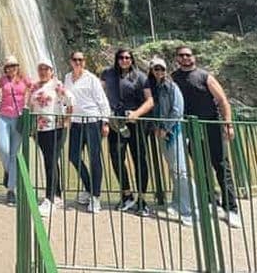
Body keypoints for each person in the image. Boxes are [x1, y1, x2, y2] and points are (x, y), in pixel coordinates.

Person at [172, 45, 241, 228]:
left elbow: (222, 100)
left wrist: (228, 124)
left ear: (193, 57)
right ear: (177, 58)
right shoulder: (174, 78)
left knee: (221, 165)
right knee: (201, 167)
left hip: (211, 125)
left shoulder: (204, 76)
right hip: (190, 128)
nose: (185, 58)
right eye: (182, 55)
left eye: (188, 54)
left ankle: (231, 208)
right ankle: (212, 201)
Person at [101, 47, 153, 215]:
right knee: (116, 157)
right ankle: (126, 194)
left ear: (132, 59)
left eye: (128, 57)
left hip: (136, 123)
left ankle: (142, 199)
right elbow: (99, 94)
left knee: (139, 159)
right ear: (117, 59)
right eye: (121, 57)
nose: (125, 60)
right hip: (116, 121)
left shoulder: (140, 77)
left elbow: (150, 101)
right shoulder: (107, 74)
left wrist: (137, 113)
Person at [148, 56, 195, 227]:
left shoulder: (171, 86)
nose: (159, 71)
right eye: (156, 69)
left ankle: (189, 209)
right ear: (152, 71)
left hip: (174, 132)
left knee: (181, 170)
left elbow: (177, 110)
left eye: (161, 68)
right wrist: (157, 128)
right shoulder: (157, 88)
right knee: (174, 168)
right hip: (163, 133)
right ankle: (177, 203)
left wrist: (166, 128)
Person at [65, 50, 111, 214]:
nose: (78, 62)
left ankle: (96, 197)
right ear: (71, 61)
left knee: (94, 158)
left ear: (84, 62)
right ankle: (89, 187)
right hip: (76, 123)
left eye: (81, 60)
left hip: (93, 122)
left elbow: (102, 101)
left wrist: (105, 122)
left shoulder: (91, 79)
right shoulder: (67, 78)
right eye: (75, 59)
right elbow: (67, 100)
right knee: (73, 156)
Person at [29, 58, 74, 217]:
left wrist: (67, 120)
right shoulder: (34, 86)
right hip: (40, 129)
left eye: (46, 69)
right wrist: (31, 128)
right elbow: (31, 106)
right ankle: (58, 195)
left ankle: (49, 199)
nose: (43, 71)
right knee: (51, 160)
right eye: (40, 68)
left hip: (56, 128)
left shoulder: (56, 85)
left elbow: (70, 100)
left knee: (50, 161)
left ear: (51, 71)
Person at [0, 55, 32, 205]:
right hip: (3, 116)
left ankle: (11, 190)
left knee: (13, 154)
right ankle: (8, 171)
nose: (11, 68)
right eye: (9, 66)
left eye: (14, 66)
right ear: (6, 68)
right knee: (3, 149)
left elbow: (36, 89)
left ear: (18, 67)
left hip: (18, 119)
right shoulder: (2, 80)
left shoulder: (25, 79)